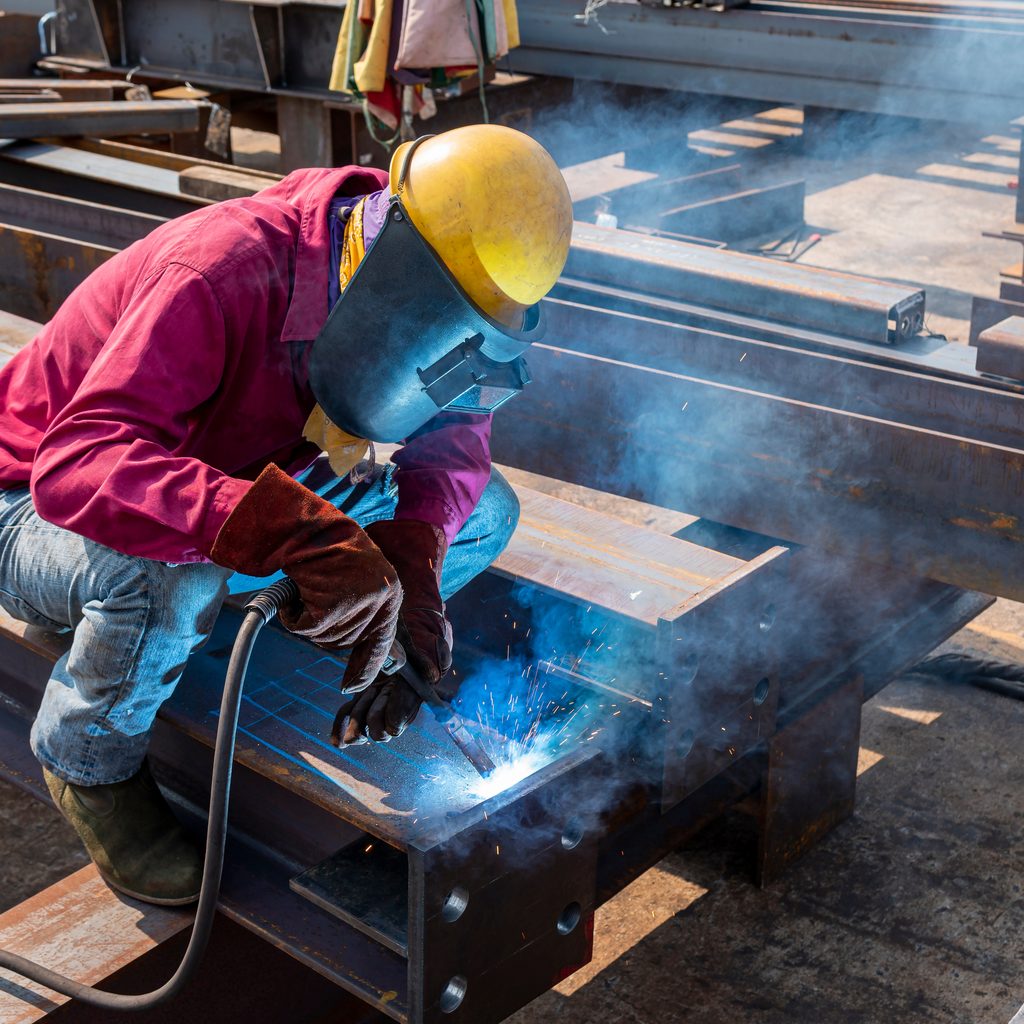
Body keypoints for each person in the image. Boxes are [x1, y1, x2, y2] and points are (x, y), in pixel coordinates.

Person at [0, 124, 572, 905]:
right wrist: (295, 533)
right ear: (396, 268)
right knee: (173, 585)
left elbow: (456, 451)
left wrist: (410, 577)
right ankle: (87, 763)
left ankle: (308, 629)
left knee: (482, 514)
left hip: (242, 481)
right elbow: (78, 464)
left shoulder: (432, 290)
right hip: (35, 502)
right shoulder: (219, 269)